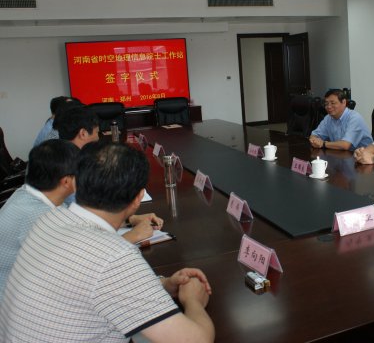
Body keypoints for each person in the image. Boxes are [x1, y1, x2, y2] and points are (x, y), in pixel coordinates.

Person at [0, 141, 215, 342]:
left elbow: (97, 288)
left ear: (76, 183)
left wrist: (165, 285)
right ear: (138, 198)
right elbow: (196, 339)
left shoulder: (50, 219)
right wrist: (193, 301)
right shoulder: (113, 257)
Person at [0, 140, 162, 299]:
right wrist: (133, 235)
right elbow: (84, 264)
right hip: (17, 299)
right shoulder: (39, 215)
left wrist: (129, 219)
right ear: (66, 181)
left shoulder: (30, 195)